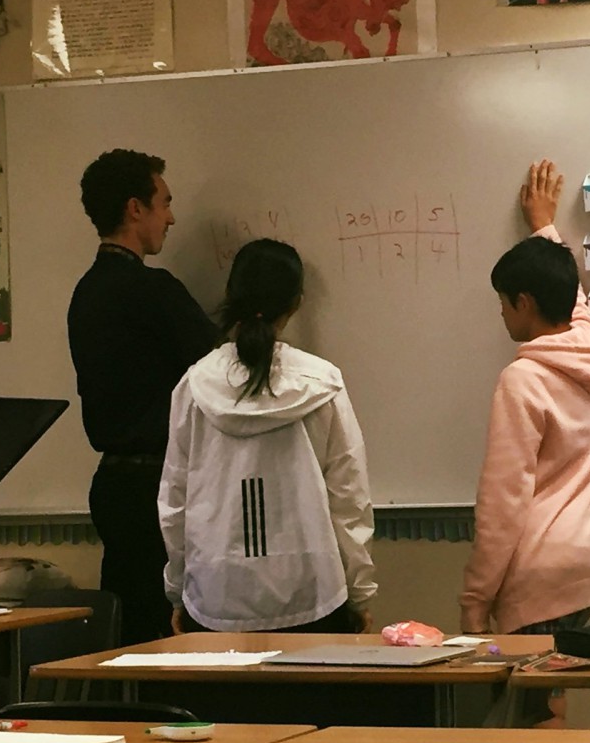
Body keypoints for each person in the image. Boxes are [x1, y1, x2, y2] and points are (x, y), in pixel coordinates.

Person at [460, 160, 590, 724]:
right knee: (549, 696)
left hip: (538, 573)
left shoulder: (523, 379)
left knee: (529, 716)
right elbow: (574, 301)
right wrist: (545, 229)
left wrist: (475, 602)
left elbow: (503, 502)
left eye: (504, 302)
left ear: (524, 302)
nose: (501, 314)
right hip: (588, 566)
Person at [160, 238, 377, 634]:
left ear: (231, 295)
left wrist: (178, 590)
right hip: (312, 593)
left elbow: (175, 502)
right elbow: (348, 496)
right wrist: (359, 591)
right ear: (296, 303)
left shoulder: (194, 385)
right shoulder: (322, 382)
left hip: (215, 595)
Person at [68, 149, 219, 645]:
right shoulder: (153, 290)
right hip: (159, 489)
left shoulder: (86, 292)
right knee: (172, 635)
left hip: (113, 487)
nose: (171, 218)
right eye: (165, 203)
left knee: (129, 635)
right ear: (136, 208)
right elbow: (220, 368)